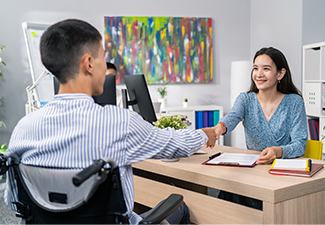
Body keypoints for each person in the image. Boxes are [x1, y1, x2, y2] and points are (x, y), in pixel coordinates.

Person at [4, 19, 218, 224]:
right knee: (180, 209)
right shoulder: (119, 123)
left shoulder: (24, 128)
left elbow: (14, 202)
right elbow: (173, 144)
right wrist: (204, 134)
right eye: (101, 58)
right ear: (89, 63)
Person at [215, 46, 308, 209]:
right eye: (255, 68)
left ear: (280, 73)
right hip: (252, 172)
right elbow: (232, 117)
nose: (259, 74)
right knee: (228, 198)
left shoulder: (294, 102)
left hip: (281, 176)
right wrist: (218, 129)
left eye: (266, 69)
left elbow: (300, 144)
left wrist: (278, 151)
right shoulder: (246, 99)